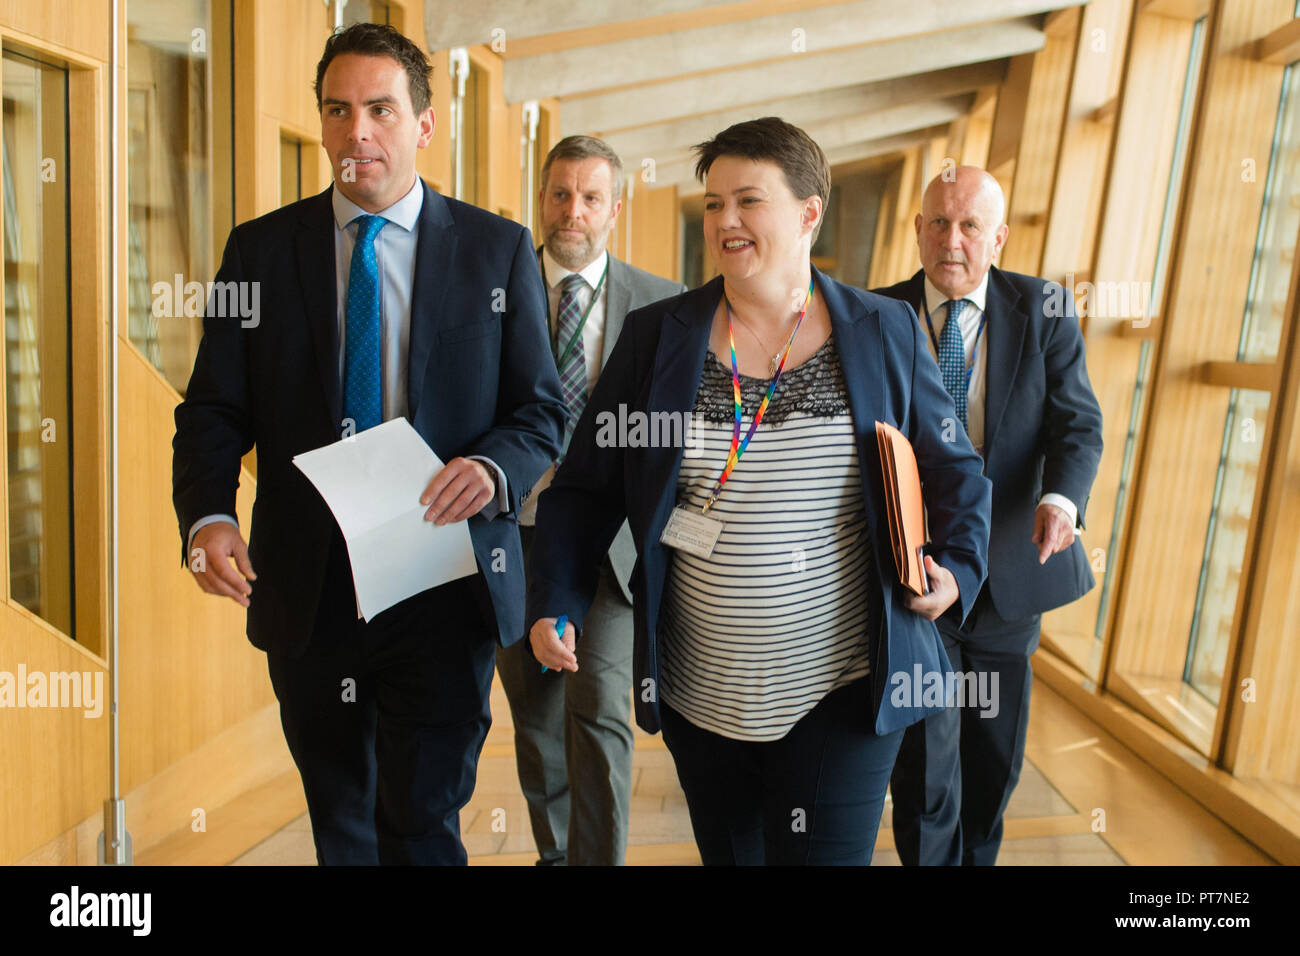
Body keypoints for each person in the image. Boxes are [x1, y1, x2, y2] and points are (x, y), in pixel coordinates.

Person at [524, 117, 992, 865]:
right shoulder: (656, 338)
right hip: (698, 694)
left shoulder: (883, 330)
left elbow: (953, 467)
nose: (725, 221)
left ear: (809, 214)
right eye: (713, 204)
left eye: (748, 201)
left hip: (842, 686)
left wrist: (958, 568)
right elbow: (583, 488)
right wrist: (556, 598)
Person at [171, 22, 564, 866]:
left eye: (381, 109)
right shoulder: (261, 250)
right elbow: (211, 409)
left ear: (423, 124)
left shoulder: (494, 250)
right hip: (310, 587)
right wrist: (206, 517)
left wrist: (494, 468)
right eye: (338, 110)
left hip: (441, 580)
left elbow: (540, 411)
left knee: (422, 823)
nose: (359, 133)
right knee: (341, 821)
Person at [874, 166, 1103, 866]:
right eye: (938, 223)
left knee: (992, 751)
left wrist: (1059, 500)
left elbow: (1078, 426)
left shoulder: (1045, 311)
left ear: (997, 237)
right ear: (916, 230)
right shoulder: (872, 315)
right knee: (924, 758)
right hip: (912, 570)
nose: (952, 240)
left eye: (970, 225)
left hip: (1008, 571)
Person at [495, 135, 684, 866]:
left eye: (591, 197)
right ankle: (557, 856)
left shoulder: (662, 304)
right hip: (514, 535)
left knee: (601, 712)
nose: (572, 211)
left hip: (610, 545)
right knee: (537, 719)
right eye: (559, 194)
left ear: (614, 208)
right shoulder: (496, 294)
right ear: (541, 199)